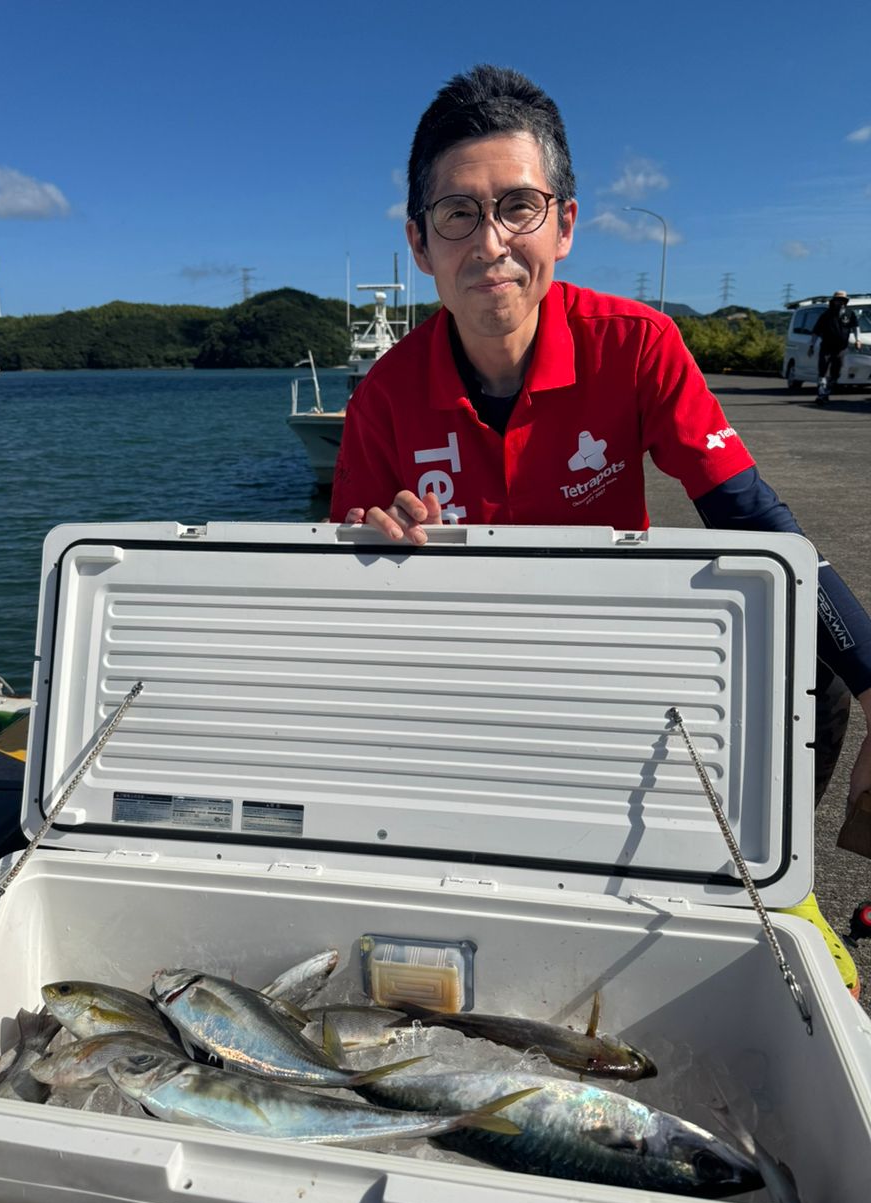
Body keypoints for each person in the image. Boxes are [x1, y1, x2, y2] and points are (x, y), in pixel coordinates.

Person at [330, 65, 871, 994]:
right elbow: (340, 592)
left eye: (518, 206)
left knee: (807, 665)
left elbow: (748, 514)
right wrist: (373, 540)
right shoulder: (384, 394)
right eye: (457, 213)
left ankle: (779, 884)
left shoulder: (637, 344)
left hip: (615, 662)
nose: (491, 241)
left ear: (566, 224)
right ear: (420, 243)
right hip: (468, 683)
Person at [809, 291, 860, 403]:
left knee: (836, 373)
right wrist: (812, 345)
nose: (840, 302)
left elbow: (855, 327)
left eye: (842, 300)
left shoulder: (850, 314)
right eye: (838, 300)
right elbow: (816, 331)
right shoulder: (826, 315)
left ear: (845, 301)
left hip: (841, 349)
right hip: (826, 347)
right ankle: (821, 394)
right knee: (822, 371)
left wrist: (858, 340)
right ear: (834, 301)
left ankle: (827, 391)